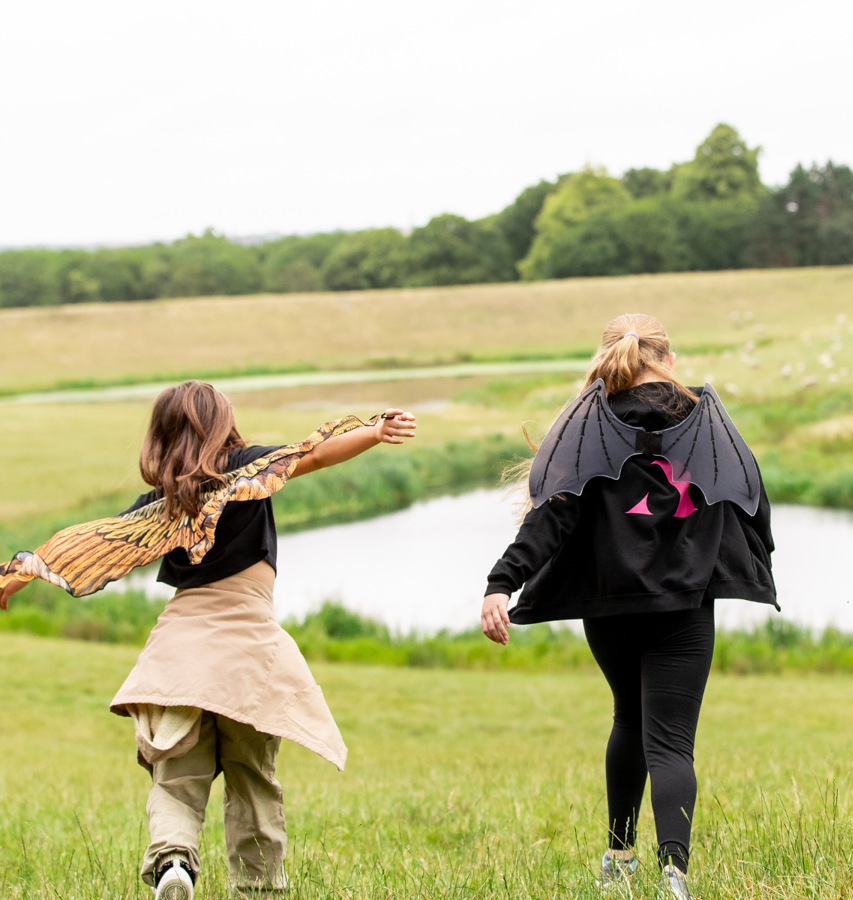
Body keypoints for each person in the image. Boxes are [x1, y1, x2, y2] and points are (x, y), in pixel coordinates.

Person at [0, 381, 416, 899]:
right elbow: (313, 454)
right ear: (222, 422)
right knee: (252, 782)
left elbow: (79, 549)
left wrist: (12, 579)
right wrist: (375, 431)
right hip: (247, 647)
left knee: (176, 779)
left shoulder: (160, 504)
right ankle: (259, 888)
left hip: (180, 655)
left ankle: (175, 862)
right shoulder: (248, 470)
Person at [480, 314, 776, 898]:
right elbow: (750, 498)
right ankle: (675, 876)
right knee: (670, 741)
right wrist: (760, 556)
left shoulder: (587, 425)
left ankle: (619, 858)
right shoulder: (705, 421)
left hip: (609, 605)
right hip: (682, 606)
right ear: (666, 358)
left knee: (627, 720)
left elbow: (553, 514)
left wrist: (501, 582)